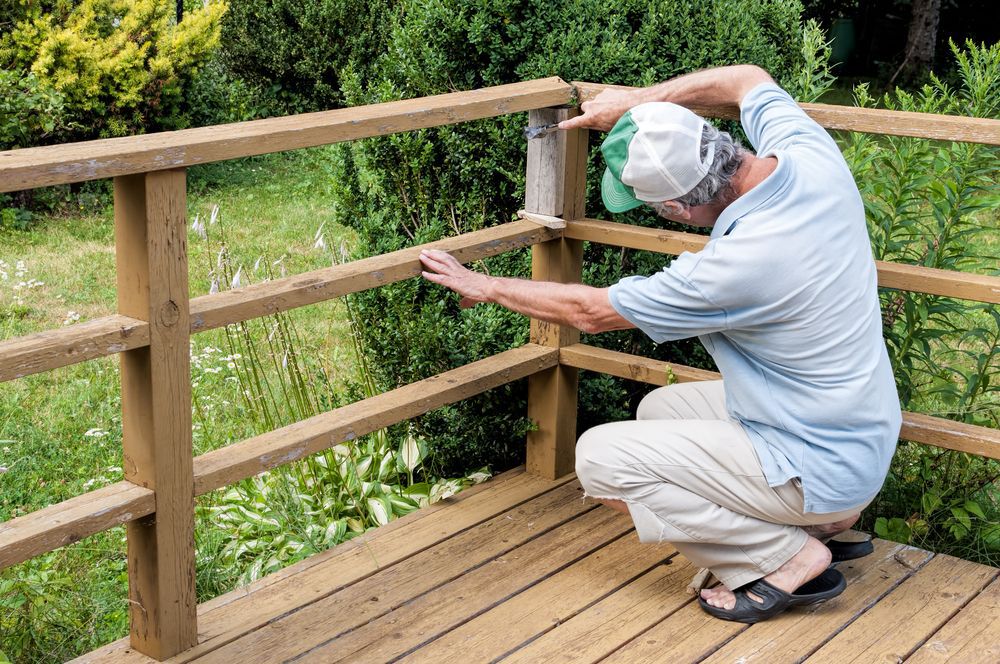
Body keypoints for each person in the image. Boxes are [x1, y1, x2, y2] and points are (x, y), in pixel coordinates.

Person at [418, 64, 902, 623]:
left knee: (600, 460)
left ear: (676, 210)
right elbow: (747, 79)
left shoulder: (736, 267)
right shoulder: (811, 159)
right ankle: (815, 524)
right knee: (661, 408)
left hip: (822, 465)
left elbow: (590, 313)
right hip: (857, 432)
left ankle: (787, 555)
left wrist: (486, 286)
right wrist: (639, 102)